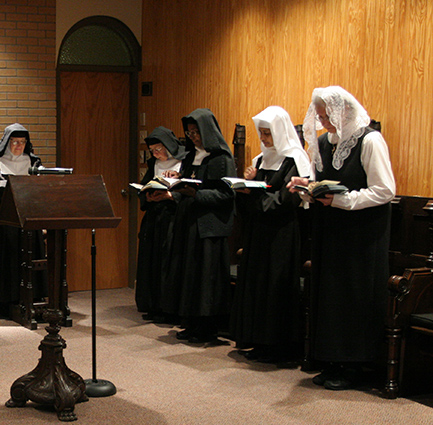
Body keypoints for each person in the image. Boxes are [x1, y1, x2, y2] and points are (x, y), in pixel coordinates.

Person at [288, 86, 395, 390]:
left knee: (353, 296)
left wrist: (342, 200)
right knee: (331, 296)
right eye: (319, 116)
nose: (322, 123)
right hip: (330, 232)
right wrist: (306, 186)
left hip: (361, 235)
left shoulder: (370, 140)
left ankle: (355, 365)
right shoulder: (324, 142)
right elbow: (321, 184)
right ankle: (332, 360)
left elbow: (385, 190)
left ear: (343, 111)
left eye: (326, 116)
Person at [230, 106, 311, 363]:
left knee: (275, 287)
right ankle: (257, 341)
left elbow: (284, 202)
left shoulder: (295, 160)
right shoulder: (260, 161)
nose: (264, 139)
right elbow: (250, 206)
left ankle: (278, 346)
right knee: (256, 285)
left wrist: (252, 192)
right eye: (261, 133)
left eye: (268, 133)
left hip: (281, 235)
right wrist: (244, 188)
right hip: (257, 233)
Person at [159, 108, 236, 343]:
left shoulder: (222, 158)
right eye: (189, 132)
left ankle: (207, 327)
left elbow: (225, 195)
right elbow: (187, 187)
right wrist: (175, 185)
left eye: (196, 132)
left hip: (209, 227)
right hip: (189, 223)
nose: (192, 137)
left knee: (206, 278)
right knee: (189, 275)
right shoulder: (192, 156)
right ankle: (191, 323)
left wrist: (195, 193)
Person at [0, 123, 46, 314]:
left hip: (27, 218)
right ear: (7, 143)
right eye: (15, 142)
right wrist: (12, 185)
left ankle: (30, 296)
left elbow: (42, 183)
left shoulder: (33, 162)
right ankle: (0, 301)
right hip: (1, 222)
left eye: (22, 142)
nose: (18, 146)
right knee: (4, 260)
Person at [135, 126, 185, 320]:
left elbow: (189, 190)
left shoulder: (183, 163)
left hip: (173, 218)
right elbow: (144, 187)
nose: (155, 153)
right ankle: (152, 305)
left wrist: (171, 195)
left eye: (159, 149)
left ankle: (167, 308)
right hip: (154, 217)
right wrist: (147, 196)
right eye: (153, 150)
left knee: (167, 262)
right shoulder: (153, 164)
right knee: (151, 260)